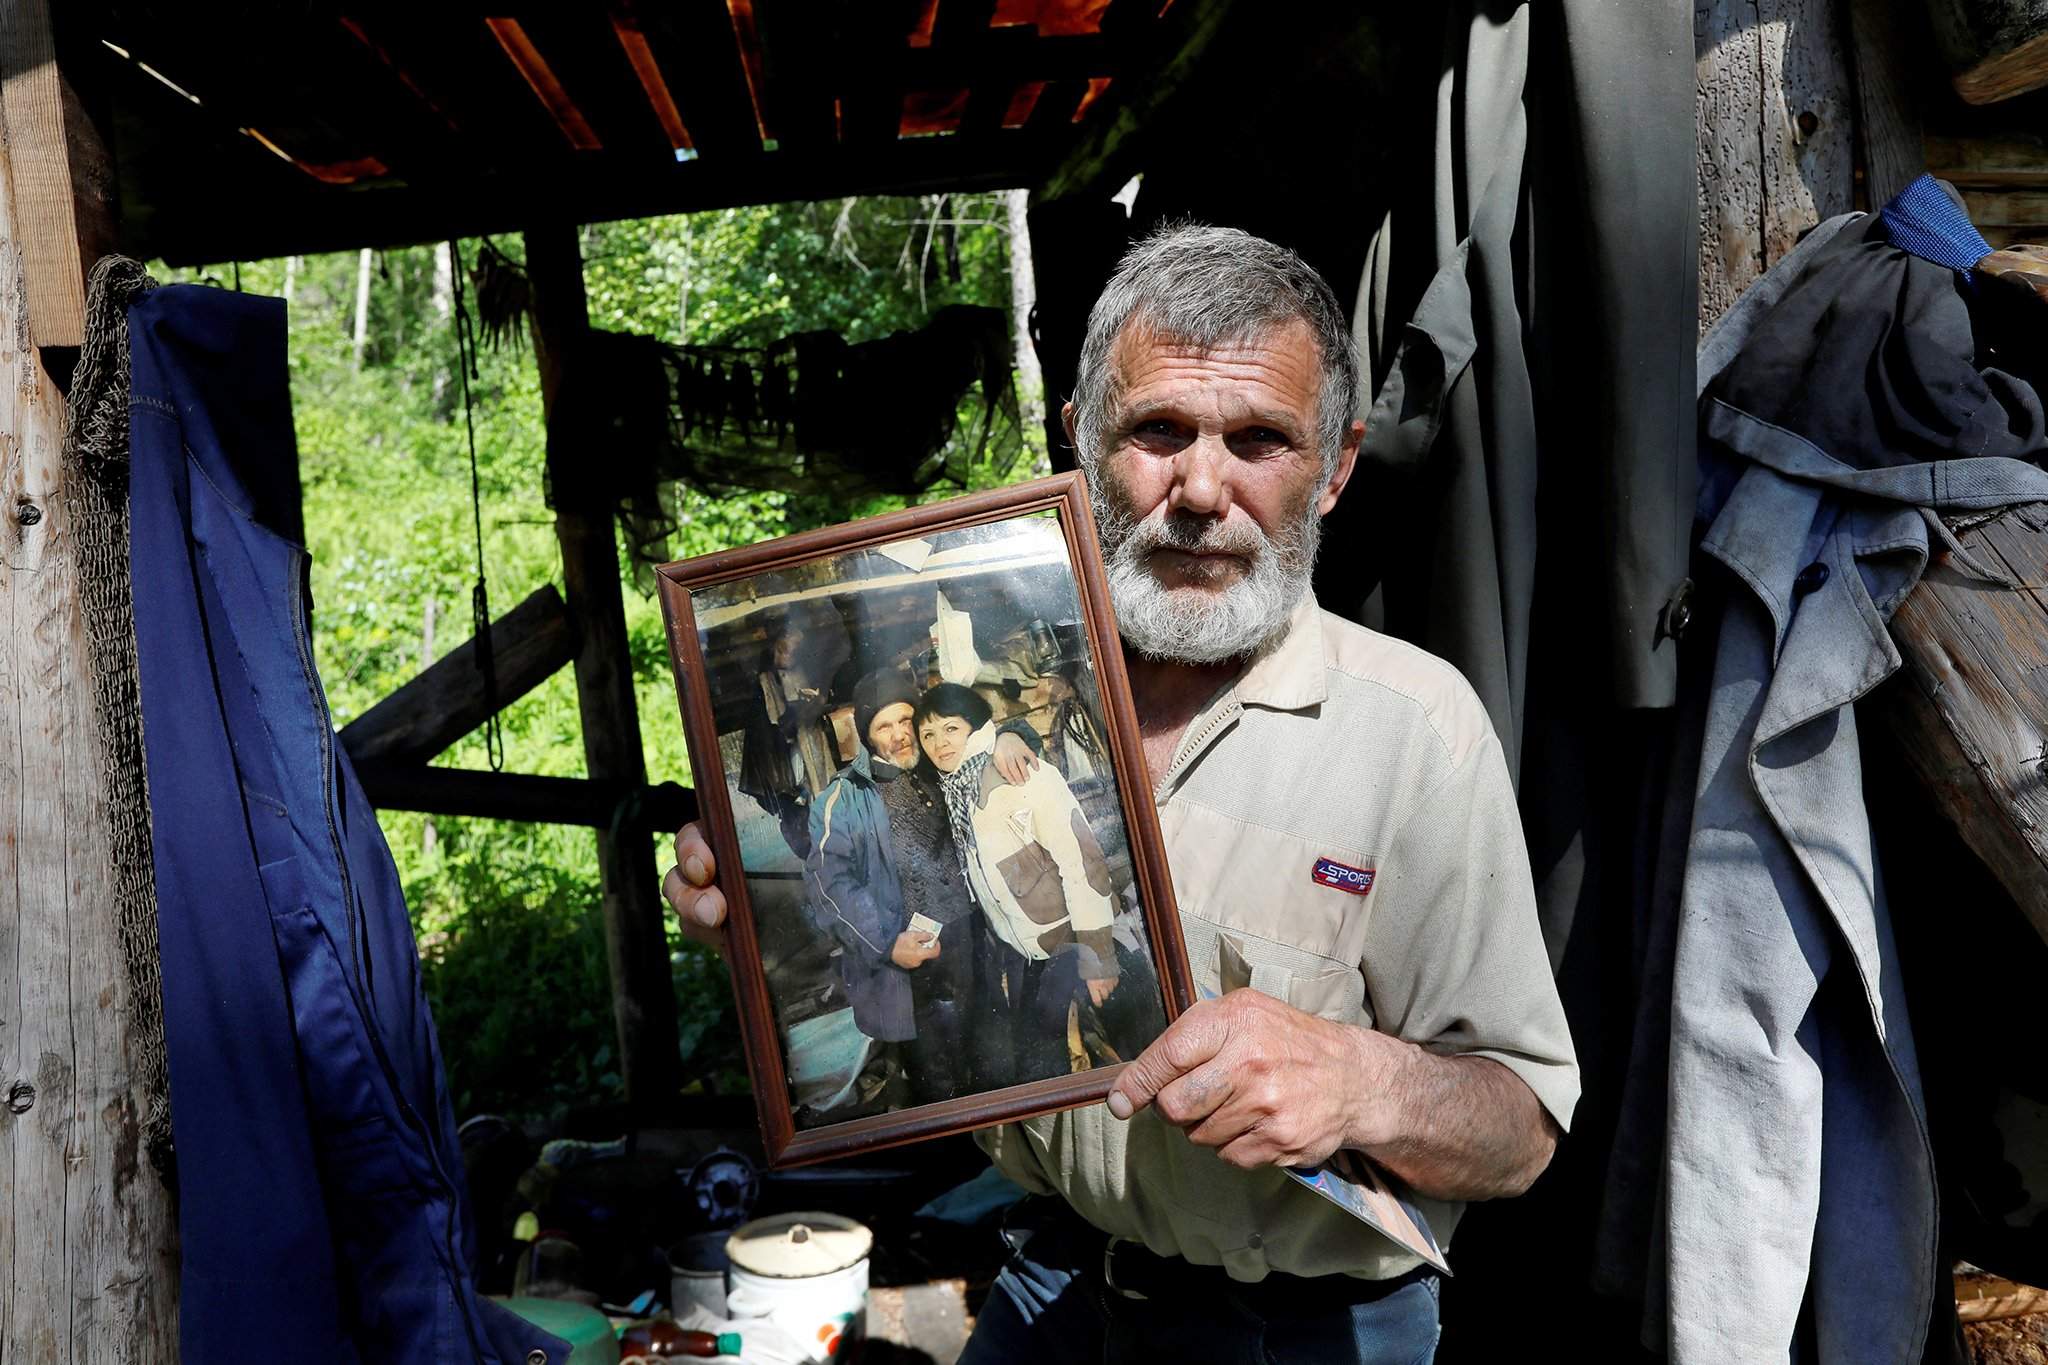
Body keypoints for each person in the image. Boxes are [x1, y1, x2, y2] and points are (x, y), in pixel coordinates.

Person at [664, 223, 1578, 1364]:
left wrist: (1362, 1083)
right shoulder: (1004, 701)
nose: (1201, 488)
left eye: (1259, 439)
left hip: (1295, 1331)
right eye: (1157, 432)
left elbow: (1521, 1134)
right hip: (1051, 1277)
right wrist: (766, 923)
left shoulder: (1412, 730)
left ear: (1335, 467)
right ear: (1081, 447)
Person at [805, 670, 1037, 1109]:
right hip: (911, 963)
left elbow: (1004, 735)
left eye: (906, 720)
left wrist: (1007, 737)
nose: (898, 735)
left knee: (999, 1065)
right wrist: (888, 943)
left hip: (976, 942)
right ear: (869, 736)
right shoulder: (846, 797)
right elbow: (827, 884)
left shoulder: (944, 762)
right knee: (940, 1085)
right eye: (883, 726)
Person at [913, 681, 1134, 1084]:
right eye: (928, 734)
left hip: (1071, 942)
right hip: (1028, 954)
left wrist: (1098, 956)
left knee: (1118, 1056)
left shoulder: (1021, 776)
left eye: (950, 728)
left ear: (975, 728)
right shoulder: (958, 792)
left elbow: (1083, 866)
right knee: (1051, 1069)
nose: (939, 742)